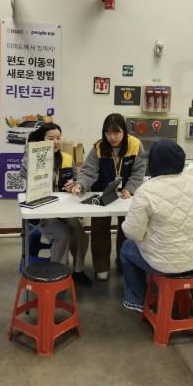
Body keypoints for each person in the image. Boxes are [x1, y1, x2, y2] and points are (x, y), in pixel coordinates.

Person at [119, 139, 193, 320]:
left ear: (155, 164)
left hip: (163, 263)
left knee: (126, 248)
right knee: (190, 252)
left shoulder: (146, 190)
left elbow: (133, 233)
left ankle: (136, 300)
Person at [70, 113, 145, 280]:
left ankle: (124, 262)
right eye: (108, 132)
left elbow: (139, 171)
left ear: (124, 131)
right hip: (102, 193)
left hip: (126, 195)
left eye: (116, 132)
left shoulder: (135, 145)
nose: (112, 137)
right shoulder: (99, 147)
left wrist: (131, 188)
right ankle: (101, 266)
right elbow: (88, 171)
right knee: (99, 230)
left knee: (127, 229)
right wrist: (80, 184)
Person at [21, 122, 92, 287]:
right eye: (51, 138)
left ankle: (78, 271)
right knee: (63, 233)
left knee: (80, 234)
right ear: (42, 140)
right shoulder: (33, 157)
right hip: (43, 214)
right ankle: (59, 273)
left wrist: (74, 184)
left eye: (58, 138)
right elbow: (24, 173)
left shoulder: (67, 158)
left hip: (64, 210)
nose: (56, 142)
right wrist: (29, 151)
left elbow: (76, 178)